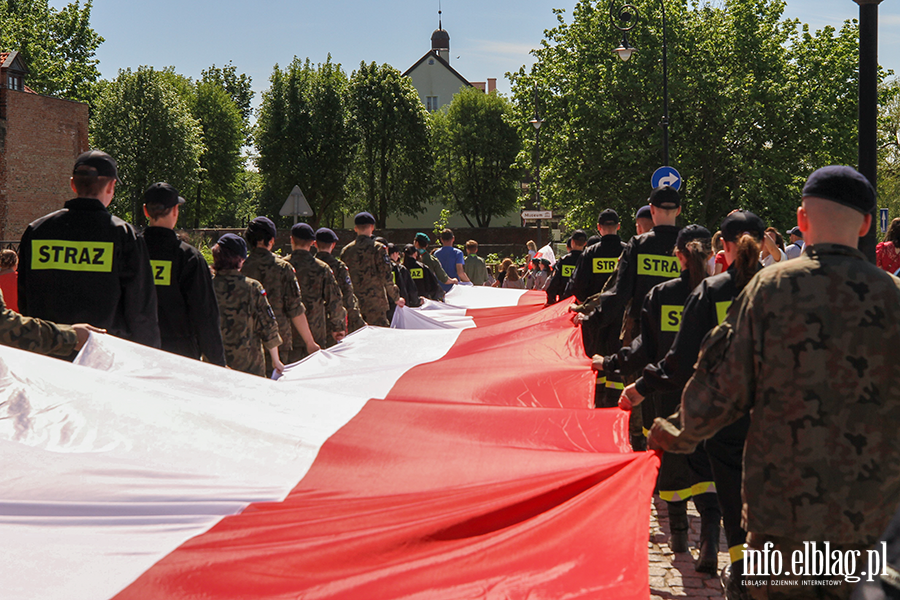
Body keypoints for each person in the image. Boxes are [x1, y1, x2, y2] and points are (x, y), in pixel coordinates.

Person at [648, 166, 900, 599]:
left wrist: (671, 434)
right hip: (871, 517)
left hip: (782, 516)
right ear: (864, 224)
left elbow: (720, 386)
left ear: (802, 220)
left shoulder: (770, 290)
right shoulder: (893, 297)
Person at [621, 209, 764, 593]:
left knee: (730, 487)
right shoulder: (786, 288)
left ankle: (739, 568)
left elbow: (681, 360)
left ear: (724, 245)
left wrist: (641, 387)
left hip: (726, 413)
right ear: (764, 241)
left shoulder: (713, 292)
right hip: (782, 415)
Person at [596, 224, 720, 571]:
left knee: (670, 463)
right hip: (712, 396)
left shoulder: (662, 294)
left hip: (664, 395)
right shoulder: (720, 294)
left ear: (676, 256)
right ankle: (710, 540)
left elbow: (644, 349)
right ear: (709, 255)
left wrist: (611, 364)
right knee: (708, 466)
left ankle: (679, 536)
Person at [17, 150, 159, 350]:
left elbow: (24, 299)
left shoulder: (37, 231)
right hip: (105, 356)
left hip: (47, 354)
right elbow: (141, 311)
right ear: (111, 186)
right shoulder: (124, 235)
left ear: (73, 184)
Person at [571, 188, 683, 427]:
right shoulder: (689, 245)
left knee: (643, 400)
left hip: (644, 334)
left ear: (652, 211)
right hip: (682, 335)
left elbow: (618, 294)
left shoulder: (639, 245)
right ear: (679, 211)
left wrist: (591, 319)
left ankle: (644, 449)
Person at [140, 182, 226, 366]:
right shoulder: (189, 258)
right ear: (175, 211)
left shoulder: (130, 251)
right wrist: (218, 361)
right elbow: (205, 316)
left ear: (146, 211)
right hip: (180, 356)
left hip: (136, 351)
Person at [241, 216, 319, 370]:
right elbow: (294, 308)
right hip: (279, 340)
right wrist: (310, 342)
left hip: (247, 340)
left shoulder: (242, 268)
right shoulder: (283, 268)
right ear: (271, 240)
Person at [211, 234, 283, 378]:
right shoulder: (252, 287)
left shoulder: (207, 285)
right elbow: (267, 324)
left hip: (215, 364)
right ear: (240, 259)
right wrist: (276, 360)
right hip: (250, 366)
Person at [286, 223, 346, 358]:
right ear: (313, 243)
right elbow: (334, 300)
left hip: (288, 333)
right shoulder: (321, 268)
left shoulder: (282, 266)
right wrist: (338, 327)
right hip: (316, 332)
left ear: (291, 240)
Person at [341, 212, 404, 327]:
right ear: (372, 227)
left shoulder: (346, 251)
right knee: (379, 338)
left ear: (355, 228)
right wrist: (396, 297)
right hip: (375, 303)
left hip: (354, 303)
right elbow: (386, 276)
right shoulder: (378, 248)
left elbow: (343, 278)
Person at [314, 227, 367, 334]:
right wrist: (358, 321)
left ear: (315, 244)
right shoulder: (339, 267)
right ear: (333, 245)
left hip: (313, 321)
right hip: (336, 322)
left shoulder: (310, 265)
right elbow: (348, 296)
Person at [545, 230, 587, 304]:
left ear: (572, 242)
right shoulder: (587, 260)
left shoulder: (564, 260)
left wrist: (551, 300)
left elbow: (555, 282)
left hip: (565, 302)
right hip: (583, 303)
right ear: (585, 243)